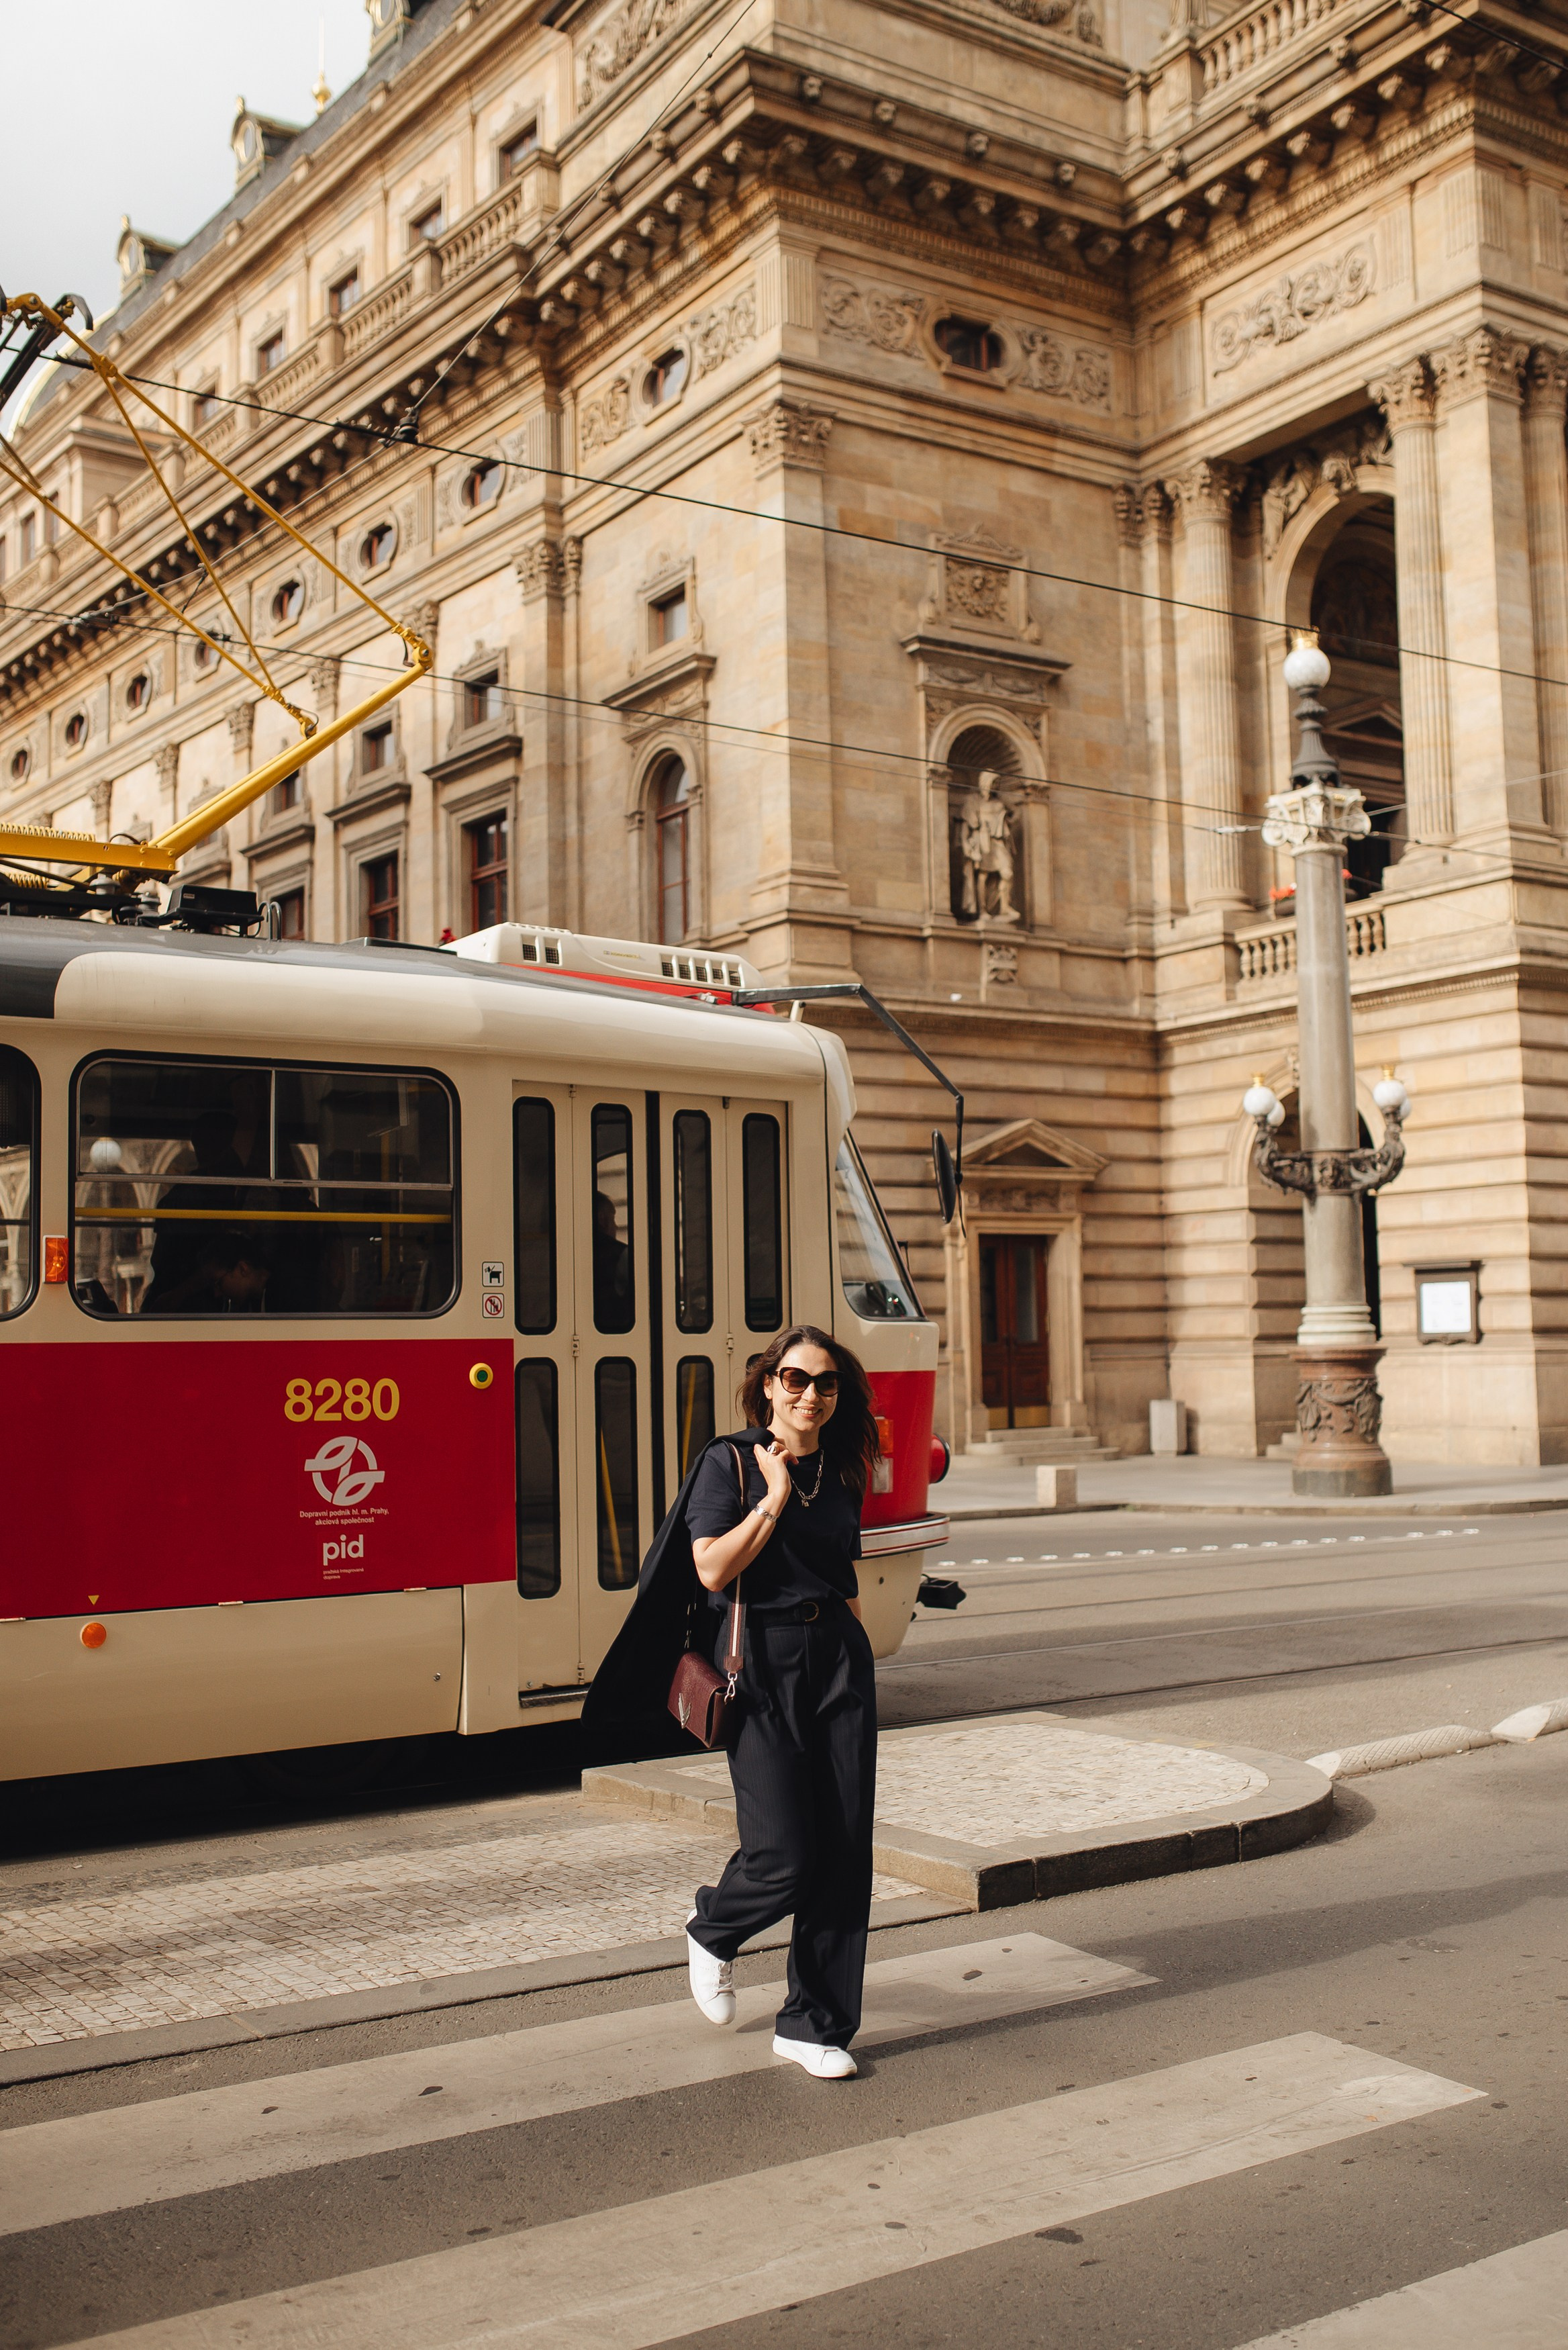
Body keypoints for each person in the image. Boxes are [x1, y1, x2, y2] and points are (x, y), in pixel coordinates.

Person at [681, 1325, 881, 2080]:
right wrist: (769, 1498)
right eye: (794, 1378)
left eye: (825, 1383)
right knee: (783, 1852)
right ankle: (714, 1926)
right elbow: (709, 1568)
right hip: (759, 1660)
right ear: (768, 1383)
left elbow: (844, 1573)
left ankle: (813, 2022)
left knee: (842, 1850)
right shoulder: (729, 1461)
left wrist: (859, 1669)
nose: (809, 1394)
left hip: (836, 1656)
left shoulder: (840, 1469)